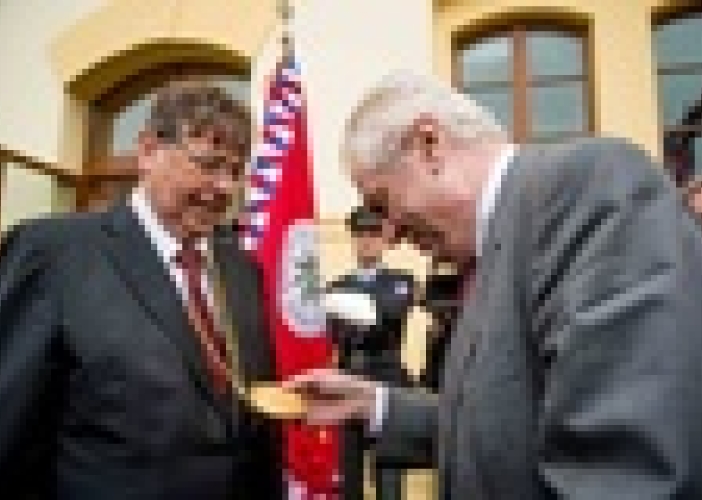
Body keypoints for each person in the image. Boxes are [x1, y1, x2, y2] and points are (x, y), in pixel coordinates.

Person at [288, 71, 702, 499]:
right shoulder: (492, 248)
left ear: (429, 145)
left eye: (382, 203)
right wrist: (375, 405)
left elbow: (621, 477)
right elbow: (510, 429)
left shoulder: (586, 191)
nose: (389, 235)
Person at [0, 81, 283, 500]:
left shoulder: (242, 270)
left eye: (236, 171)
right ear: (148, 152)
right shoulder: (54, 255)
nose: (225, 187)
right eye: (209, 165)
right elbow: (12, 429)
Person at [326, 204, 415, 500]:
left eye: (374, 234)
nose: (367, 241)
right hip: (349, 378)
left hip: (387, 380)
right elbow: (334, 335)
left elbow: (389, 315)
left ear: (384, 240)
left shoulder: (402, 281)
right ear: (353, 238)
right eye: (361, 234)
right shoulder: (336, 286)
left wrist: (350, 310)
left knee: (389, 475)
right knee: (349, 473)